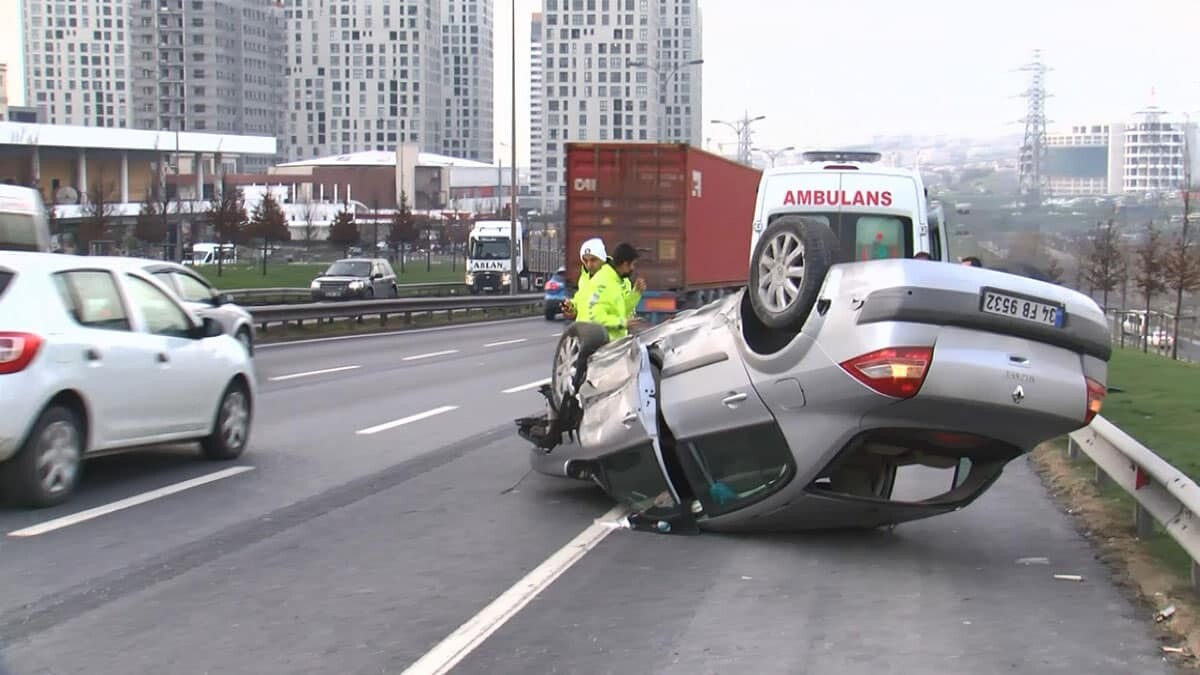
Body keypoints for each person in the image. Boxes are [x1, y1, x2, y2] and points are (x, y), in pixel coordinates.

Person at [588, 242, 647, 340]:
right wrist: (622, 323)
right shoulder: (604, 282)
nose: (633, 268)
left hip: (614, 346)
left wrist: (636, 293)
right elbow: (596, 317)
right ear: (625, 264)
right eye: (632, 264)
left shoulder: (615, 281)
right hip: (604, 347)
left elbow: (619, 311)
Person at [562, 237, 607, 321]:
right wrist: (571, 306)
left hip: (604, 332)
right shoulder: (584, 278)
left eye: (593, 260)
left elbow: (622, 308)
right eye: (585, 261)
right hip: (583, 331)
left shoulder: (614, 278)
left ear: (602, 259)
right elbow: (581, 300)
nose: (589, 265)